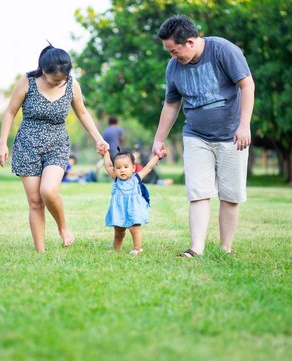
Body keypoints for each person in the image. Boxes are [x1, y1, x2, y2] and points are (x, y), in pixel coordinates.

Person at [151, 15, 255, 258]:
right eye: (169, 52)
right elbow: (171, 105)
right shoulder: (174, 67)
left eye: (175, 51)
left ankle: (225, 248)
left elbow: (247, 85)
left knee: (230, 194)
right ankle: (196, 248)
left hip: (232, 135)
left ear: (190, 41)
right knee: (198, 191)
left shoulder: (223, 50)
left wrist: (245, 125)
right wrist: (158, 139)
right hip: (196, 135)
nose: (173, 57)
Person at [0, 44, 109, 252]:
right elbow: (10, 112)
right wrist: (3, 143)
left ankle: (63, 227)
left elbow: (82, 113)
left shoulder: (72, 85)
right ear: (43, 70)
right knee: (35, 201)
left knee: (48, 190)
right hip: (27, 145)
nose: (59, 82)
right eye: (55, 79)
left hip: (56, 145)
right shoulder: (27, 82)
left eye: (63, 78)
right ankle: (40, 250)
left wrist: (98, 139)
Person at [101, 148, 163, 255]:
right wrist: (105, 154)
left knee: (134, 229)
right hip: (119, 211)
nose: (122, 170)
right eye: (118, 168)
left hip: (134, 210)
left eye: (126, 167)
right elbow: (108, 166)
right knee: (119, 231)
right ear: (115, 169)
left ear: (133, 168)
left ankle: (137, 248)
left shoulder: (136, 178)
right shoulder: (116, 178)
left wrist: (157, 157)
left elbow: (149, 167)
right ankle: (116, 248)